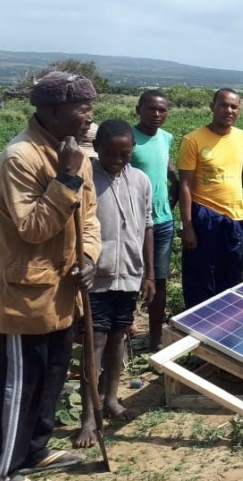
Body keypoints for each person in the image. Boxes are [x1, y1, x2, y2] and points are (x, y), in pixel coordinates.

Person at [0, 71, 101, 480]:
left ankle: (35, 452)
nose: (89, 116)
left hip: (64, 288)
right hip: (25, 292)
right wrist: (65, 178)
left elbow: (89, 219)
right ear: (52, 110)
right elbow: (32, 228)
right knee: (21, 385)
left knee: (52, 377)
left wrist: (88, 256)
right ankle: (4, 467)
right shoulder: (21, 157)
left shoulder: (73, 152)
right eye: (81, 108)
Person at [73, 119, 154, 448]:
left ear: (132, 150)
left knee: (119, 336)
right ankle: (88, 416)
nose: (118, 159)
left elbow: (147, 224)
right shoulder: (86, 179)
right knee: (95, 343)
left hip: (130, 275)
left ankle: (111, 399)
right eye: (110, 153)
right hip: (97, 278)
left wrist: (148, 273)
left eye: (125, 153)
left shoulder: (140, 180)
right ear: (97, 149)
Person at [177, 88, 243, 310]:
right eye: (223, 105)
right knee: (201, 278)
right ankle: (198, 327)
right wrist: (188, 226)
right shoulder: (193, 140)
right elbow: (185, 186)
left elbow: (241, 174)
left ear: (239, 110)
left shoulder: (241, 137)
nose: (229, 110)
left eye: (234, 106)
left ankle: (227, 326)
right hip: (205, 218)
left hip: (235, 218)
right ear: (212, 106)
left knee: (231, 278)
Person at [130, 89, 179, 351]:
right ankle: (123, 333)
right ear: (138, 110)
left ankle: (155, 338)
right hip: (133, 222)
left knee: (158, 280)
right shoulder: (128, 138)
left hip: (162, 221)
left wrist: (175, 189)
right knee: (128, 279)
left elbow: (168, 168)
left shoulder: (167, 138)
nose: (157, 114)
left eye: (162, 110)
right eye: (151, 109)